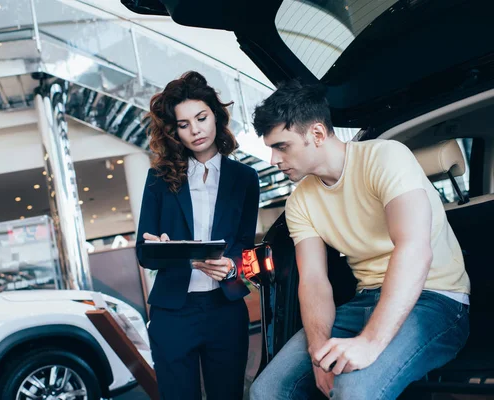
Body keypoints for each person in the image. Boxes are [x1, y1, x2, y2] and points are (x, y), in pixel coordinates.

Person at [249, 81, 470, 399]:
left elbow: (414, 248)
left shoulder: (386, 157)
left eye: (281, 146)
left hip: (436, 300)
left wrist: (370, 342)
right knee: (267, 390)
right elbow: (313, 280)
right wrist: (318, 349)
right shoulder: (300, 201)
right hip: (363, 301)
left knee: (353, 390)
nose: (272, 159)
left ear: (318, 134)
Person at [135, 71, 260, 400]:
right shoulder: (159, 179)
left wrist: (232, 268)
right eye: (184, 124)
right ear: (174, 130)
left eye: (201, 118)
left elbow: (244, 246)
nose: (195, 130)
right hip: (173, 312)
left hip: (225, 309)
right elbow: (143, 253)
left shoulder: (245, 178)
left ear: (216, 116)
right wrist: (160, 249)